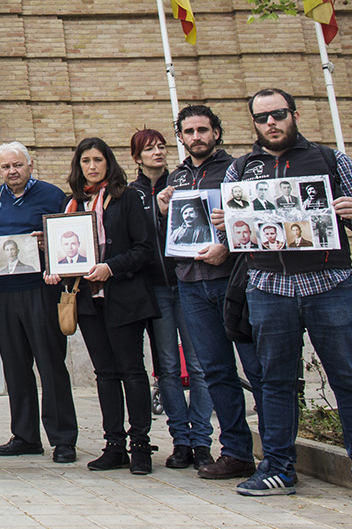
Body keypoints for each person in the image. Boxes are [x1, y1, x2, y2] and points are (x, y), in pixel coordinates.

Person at [222, 87, 352, 511]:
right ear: (253, 123)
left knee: (350, 382)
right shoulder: (241, 170)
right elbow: (231, 239)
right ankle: (279, 468)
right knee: (276, 383)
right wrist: (224, 223)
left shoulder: (329, 159)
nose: (271, 123)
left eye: (278, 114)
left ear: (294, 115)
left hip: (330, 286)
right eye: (262, 117)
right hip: (269, 289)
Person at [161, 103, 263, 481]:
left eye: (202, 130)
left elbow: (255, 221)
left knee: (256, 369)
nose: (196, 138)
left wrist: (227, 245)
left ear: (216, 133)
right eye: (188, 132)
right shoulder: (178, 177)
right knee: (216, 372)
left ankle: (272, 453)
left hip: (233, 281)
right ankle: (235, 452)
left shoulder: (237, 170)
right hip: (189, 283)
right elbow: (170, 232)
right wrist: (161, 209)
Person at [50, 137, 159, 476]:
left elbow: (145, 248)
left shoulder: (125, 199)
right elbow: (66, 251)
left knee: (132, 371)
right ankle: (114, 445)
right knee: (105, 374)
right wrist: (54, 268)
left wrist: (111, 267)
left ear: (108, 163)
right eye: (85, 161)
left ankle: (140, 445)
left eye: (97, 160)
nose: (92, 166)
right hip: (87, 300)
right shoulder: (72, 205)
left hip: (124, 296)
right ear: (78, 166)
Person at [0, 141, 77, 463]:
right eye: (5, 167)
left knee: (50, 366)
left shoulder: (51, 195)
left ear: (30, 165)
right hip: (3, 293)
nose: (12, 171)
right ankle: (25, 436)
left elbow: (69, 238)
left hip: (41, 292)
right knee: (16, 367)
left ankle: (63, 440)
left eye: (17, 165)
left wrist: (48, 244)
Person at [127, 127, 212, 474]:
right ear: (137, 157)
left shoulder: (183, 182)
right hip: (157, 289)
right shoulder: (130, 194)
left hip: (190, 282)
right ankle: (181, 440)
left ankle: (203, 440)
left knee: (200, 365)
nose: (158, 153)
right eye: (150, 149)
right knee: (167, 368)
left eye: (162, 147)